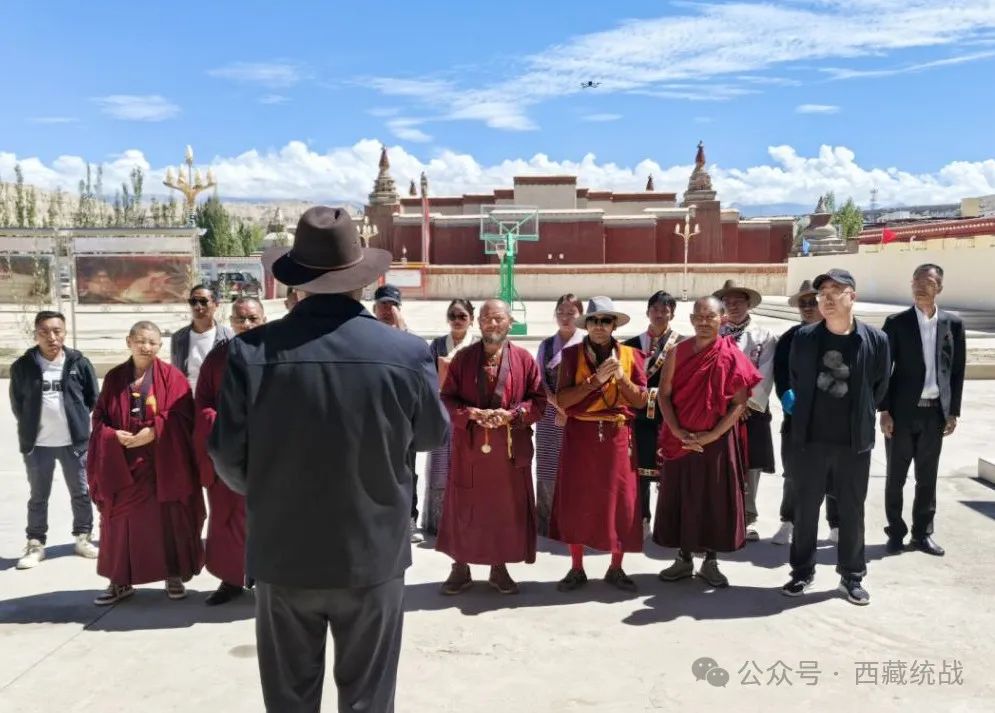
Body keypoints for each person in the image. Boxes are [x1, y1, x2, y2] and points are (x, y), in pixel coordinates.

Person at [209, 206, 449, 713]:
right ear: (361, 280)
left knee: (289, 700)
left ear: (299, 280)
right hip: (373, 553)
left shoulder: (251, 353)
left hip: (283, 553)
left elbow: (228, 459)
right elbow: (431, 434)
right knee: (367, 699)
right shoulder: (406, 354)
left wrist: (275, 493)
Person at [782, 269, 890, 606]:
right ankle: (801, 572)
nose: (826, 298)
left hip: (852, 443)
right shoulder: (804, 338)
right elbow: (796, 377)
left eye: (836, 290)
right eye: (822, 291)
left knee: (852, 511)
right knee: (805, 509)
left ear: (852, 296)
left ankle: (851, 576)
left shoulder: (875, 341)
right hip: (810, 440)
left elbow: (880, 385)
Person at [87, 321, 205, 605]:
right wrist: (112, 435)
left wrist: (153, 432)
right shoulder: (115, 378)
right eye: (140, 341)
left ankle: (173, 574)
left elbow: (184, 417)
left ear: (160, 346)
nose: (146, 347)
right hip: (123, 465)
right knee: (119, 524)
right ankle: (120, 581)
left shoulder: (173, 378)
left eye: (152, 342)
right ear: (129, 342)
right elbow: (99, 417)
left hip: (162, 465)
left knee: (169, 521)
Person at [436, 299, 545, 595]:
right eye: (486, 319)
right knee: (465, 506)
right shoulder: (463, 359)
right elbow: (447, 399)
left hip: (508, 451)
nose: (492, 324)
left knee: (503, 509)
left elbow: (538, 401)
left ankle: (499, 568)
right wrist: (471, 413)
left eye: (498, 319)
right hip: (471, 450)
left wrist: (512, 415)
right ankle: (460, 567)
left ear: (510, 322)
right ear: (478, 323)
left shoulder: (523, 359)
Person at [655, 297, 761, 587]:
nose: (704, 322)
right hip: (682, 439)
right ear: (690, 320)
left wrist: (713, 434)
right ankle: (684, 558)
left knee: (714, 499)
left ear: (722, 319)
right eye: (699, 317)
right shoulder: (678, 352)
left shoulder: (731, 354)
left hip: (716, 441)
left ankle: (711, 562)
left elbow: (740, 403)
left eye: (710, 317)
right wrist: (677, 431)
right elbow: (663, 394)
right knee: (683, 496)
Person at [550, 297, 648, 592]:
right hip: (580, 435)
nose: (600, 327)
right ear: (587, 324)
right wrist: (594, 381)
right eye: (594, 321)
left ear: (614, 325)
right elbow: (563, 401)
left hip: (617, 437)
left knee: (620, 500)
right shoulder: (570, 356)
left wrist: (621, 378)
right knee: (577, 499)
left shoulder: (631, 356)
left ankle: (616, 568)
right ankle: (576, 567)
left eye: (606, 321)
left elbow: (642, 401)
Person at [880, 264, 966, 557]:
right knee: (896, 477)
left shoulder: (952, 325)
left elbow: (956, 371)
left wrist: (953, 411)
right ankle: (895, 532)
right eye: (916, 281)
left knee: (927, 478)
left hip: (935, 414)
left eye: (927, 282)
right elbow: (884, 370)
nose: (920, 286)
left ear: (939, 287)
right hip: (902, 414)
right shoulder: (896, 323)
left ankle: (922, 534)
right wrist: (885, 411)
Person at [10, 311, 100, 569]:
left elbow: (92, 398)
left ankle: (82, 537)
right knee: (38, 495)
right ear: (36, 333)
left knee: (81, 492)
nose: (52, 337)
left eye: (57, 331)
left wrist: (79, 424)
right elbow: (18, 403)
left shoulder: (78, 362)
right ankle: (36, 543)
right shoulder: (23, 366)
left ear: (65, 332)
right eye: (45, 331)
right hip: (38, 445)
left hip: (74, 443)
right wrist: (32, 427)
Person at [194, 297, 266, 605]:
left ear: (264, 319)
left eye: (252, 318)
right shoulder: (218, 358)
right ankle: (230, 579)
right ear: (231, 320)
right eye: (240, 318)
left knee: (267, 520)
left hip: (267, 453)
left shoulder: (275, 353)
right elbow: (203, 404)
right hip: (229, 454)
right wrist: (226, 425)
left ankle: (268, 580)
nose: (246, 324)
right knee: (226, 518)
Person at [771, 280, 839, 545]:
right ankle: (788, 522)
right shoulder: (789, 338)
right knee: (794, 473)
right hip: (797, 419)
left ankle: (836, 525)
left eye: (813, 302)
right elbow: (780, 374)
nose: (809, 308)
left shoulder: (836, 334)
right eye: (804, 304)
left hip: (831, 420)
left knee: (834, 474)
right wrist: (787, 397)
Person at [712, 280, 777, 542]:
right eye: (728, 302)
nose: (733, 305)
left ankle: (747, 517)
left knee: (750, 466)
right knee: (721, 464)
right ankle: (722, 515)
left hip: (752, 412)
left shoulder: (765, 336)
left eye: (738, 301)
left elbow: (765, 373)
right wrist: (728, 405)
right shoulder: (715, 334)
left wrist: (746, 405)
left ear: (749, 304)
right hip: (721, 411)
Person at [623, 290, 683, 539]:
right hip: (640, 415)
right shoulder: (630, 345)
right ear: (648, 312)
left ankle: (670, 521)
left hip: (670, 415)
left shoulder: (682, 344)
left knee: (671, 468)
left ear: (672, 314)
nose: (660, 314)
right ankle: (643, 517)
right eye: (655, 309)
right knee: (641, 468)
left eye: (665, 310)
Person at [372, 283, 423, 543]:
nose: (386, 310)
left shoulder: (412, 341)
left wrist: (402, 329)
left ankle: (409, 519)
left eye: (392, 305)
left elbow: (421, 368)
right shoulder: (366, 337)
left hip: (404, 419)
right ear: (373, 308)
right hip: (373, 418)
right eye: (382, 305)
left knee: (407, 471)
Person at [423, 299, 477, 535]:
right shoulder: (436, 345)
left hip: (469, 415)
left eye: (462, 316)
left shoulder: (477, 345)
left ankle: (467, 522)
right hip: (442, 414)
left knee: (468, 468)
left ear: (471, 320)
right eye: (453, 316)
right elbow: (426, 377)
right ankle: (438, 523)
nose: (457, 320)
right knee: (439, 469)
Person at [534, 294, 584, 536]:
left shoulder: (586, 345)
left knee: (577, 468)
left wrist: (569, 410)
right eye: (561, 312)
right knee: (547, 467)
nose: (565, 318)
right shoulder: (545, 345)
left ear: (580, 315)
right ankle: (546, 522)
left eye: (571, 313)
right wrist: (557, 405)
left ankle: (574, 523)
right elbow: (539, 381)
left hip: (579, 417)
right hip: (549, 417)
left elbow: (590, 385)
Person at [170, 284, 233, 392]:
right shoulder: (178, 338)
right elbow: (175, 373)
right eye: (193, 302)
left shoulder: (228, 338)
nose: (198, 306)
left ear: (216, 304)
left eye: (203, 301)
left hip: (216, 400)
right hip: (187, 400)